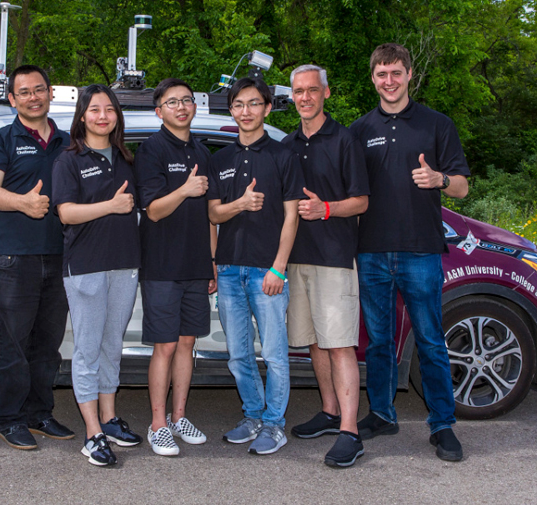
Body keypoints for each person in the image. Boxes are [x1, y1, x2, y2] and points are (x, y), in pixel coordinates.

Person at [350, 43, 471, 462]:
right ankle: (382, 414)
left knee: (431, 341)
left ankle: (442, 425)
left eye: (396, 73)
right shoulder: (359, 130)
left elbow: (462, 186)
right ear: (373, 78)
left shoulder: (437, 125)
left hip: (421, 250)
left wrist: (438, 177)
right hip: (371, 252)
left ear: (409, 75)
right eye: (382, 74)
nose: (389, 81)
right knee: (379, 342)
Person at [0, 65, 74, 450]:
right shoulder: (1, 139)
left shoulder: (69, 143)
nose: (33, 97)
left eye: (39, 90)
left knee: (47, 345)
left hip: (60, 256)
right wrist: (24, 204)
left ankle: (39, 414)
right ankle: (10, 419)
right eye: (25, 92)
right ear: (12, 99)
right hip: (14, 259)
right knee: (13, 344)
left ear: (50, 93)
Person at [207, 77, 304, 455]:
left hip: (267, 271)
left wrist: (279, 268)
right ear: (231, 110)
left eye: (253, 104)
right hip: (230, 269)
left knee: (276, 355)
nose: (245, 111)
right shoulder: (221, 159)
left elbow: (292, 217)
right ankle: (252, 416)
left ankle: (275, 424)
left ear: (266, 108)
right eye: (238, 105)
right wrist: (240, 206)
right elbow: (213, 212)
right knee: (238, 354)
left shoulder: (283, 156)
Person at [281, 65, 370, 468]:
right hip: (296, 259)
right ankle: (330, 411)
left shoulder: (345, 140)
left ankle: (350, 432)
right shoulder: (286, 143)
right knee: (316, 341)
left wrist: (326, 209)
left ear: (326, 93)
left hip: (334, 259)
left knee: (339, 345)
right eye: (299, 91)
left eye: (312, 90)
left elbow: (362, 201)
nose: (305, 98)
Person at [51, 85, 143, 467]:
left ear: (117, 115)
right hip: (86, 266)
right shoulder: (69, 159)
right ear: (83, 116)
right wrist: (111, 206)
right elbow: (66, 213)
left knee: (111, 346)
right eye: (94, 110)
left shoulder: (125, 158)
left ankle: (109, 418)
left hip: (124, 264)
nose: (102, 116)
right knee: (87, 351)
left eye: (109, 109)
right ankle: (92, 434)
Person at [134, 78, 214, 457]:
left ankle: (180, 417)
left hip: (196, 264)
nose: (181, 107)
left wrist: (211, 261)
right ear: (159, 110)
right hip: (162, 266)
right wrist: (184, 188)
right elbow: (152, 210)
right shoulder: (150, 150)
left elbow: (211, 216)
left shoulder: (202, 149)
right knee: (164, 345)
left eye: (186, 100)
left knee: (187, 342)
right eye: (172, 102)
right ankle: (158, 424)